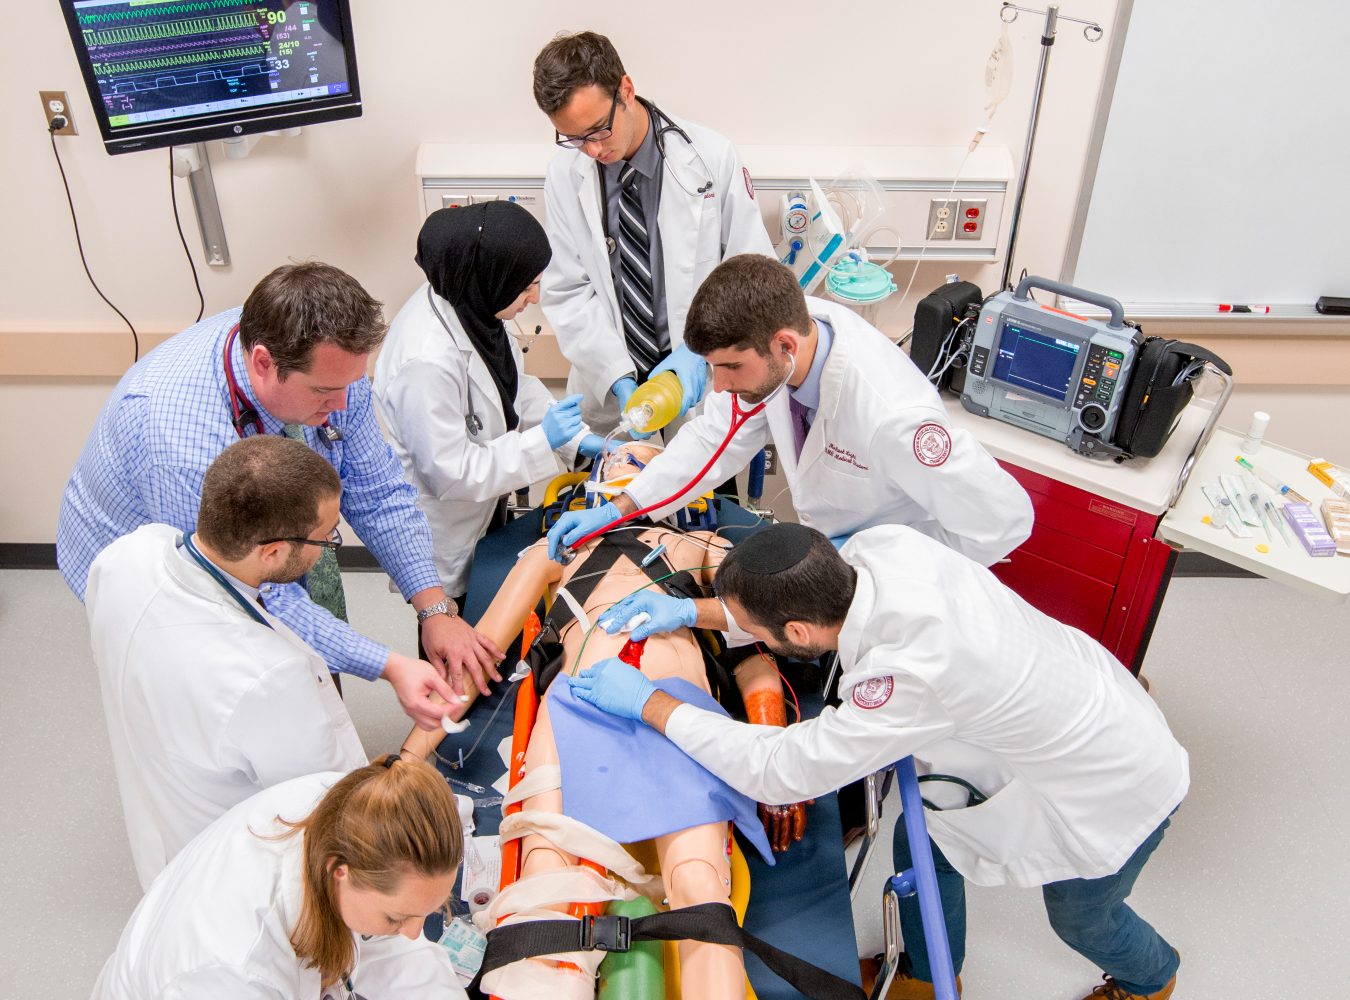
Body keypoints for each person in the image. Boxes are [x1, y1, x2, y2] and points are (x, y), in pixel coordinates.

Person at [570, 523, 1189, 1000]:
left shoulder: (912, 671)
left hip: (1119, 781)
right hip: (1076, 700)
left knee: (1081, 915)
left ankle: (1151, 977)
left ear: (800, 633)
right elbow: (780, 614)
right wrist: (696, 613)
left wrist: (649, 702)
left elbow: (781, 769)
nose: (741, 630)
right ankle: (921, 973)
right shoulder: (879, 548)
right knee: (925, 848)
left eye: (754, 627)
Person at [399, 447, 804, 998]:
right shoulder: (553, 551)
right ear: (595, 479)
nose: (630, 458)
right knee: (546, 891)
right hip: (575, 709)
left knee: (700, 890)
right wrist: (406, 759)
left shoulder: (701, 547)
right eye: (618, 454)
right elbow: (480, 655)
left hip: (678, 717)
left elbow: (756, 651)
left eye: (649, 455)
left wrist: (774, 755)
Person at [57, 261, 504, 718]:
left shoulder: (326, 369)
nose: (344, 406)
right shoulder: (181, 445)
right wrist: (387, 666)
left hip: (250, 559)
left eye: (352, 385)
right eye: (326, 392)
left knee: (302, 682)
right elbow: (254, 592)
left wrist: (434, 608)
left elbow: (377, 490)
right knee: (228, 705)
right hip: (151, 572)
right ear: (263, 363)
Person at [548, 254, 1035, 568]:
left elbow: (1005, 522)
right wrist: (619, 508)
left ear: (784, 345)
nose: (719, 385)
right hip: (834, 562)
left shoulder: (893, 417)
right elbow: (710, 443)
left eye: (730, 367)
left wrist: (874, 558)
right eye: (712, 368)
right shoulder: (781, 336)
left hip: (897, 582)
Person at [86, 436, 403, 890]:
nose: (329, 545)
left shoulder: (127, 556)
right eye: (326, 538)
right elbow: (333, 812)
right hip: (246, 876)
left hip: (167, 823)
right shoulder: (269, 677)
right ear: (272, 552)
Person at [373, 201, 609, 642]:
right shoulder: (425, 359)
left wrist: (578, 440)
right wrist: (544, 442)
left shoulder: (473, 301)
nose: (534, 298)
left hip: (484, 511)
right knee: (453, 639)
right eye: (527, 288)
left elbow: (512, 384)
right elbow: (451, 474)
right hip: (447, 529)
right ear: (494, 278)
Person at [533, 31, 775, 435]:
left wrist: (699, 357)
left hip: (702, 377)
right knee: (613, 487)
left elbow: (753, 277)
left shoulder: (711, 158)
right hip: (611, 382)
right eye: (574, 139)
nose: (591, 151)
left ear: (625, 90)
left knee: (700, 492)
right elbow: (568, 292)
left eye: (598, 130)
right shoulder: (563, 176)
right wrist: (617, 377)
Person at [92, 757, 465, 999]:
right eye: (397, 918)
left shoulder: (355, 812)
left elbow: (398, 958)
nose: (415, 932)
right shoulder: (236, 969)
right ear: (341, 872)